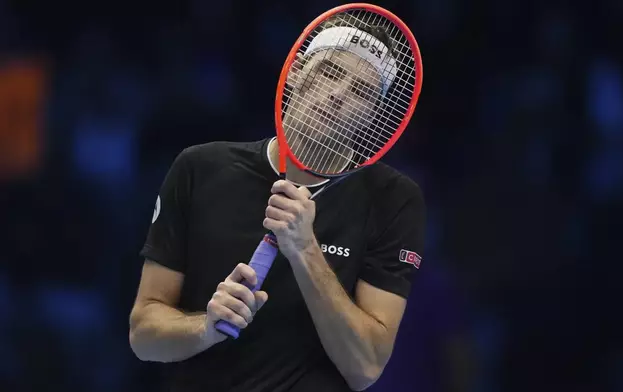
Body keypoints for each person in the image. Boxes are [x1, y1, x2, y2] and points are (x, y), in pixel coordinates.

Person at [128, 13, 427, 392]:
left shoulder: (393, 199)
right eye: (330, 73)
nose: (338, 95)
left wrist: (305, 249)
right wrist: (205, 327)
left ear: (374, 114)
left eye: (361, 92)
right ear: (299, 72)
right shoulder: (200, 168)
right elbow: (143, 336)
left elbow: (365, 366)